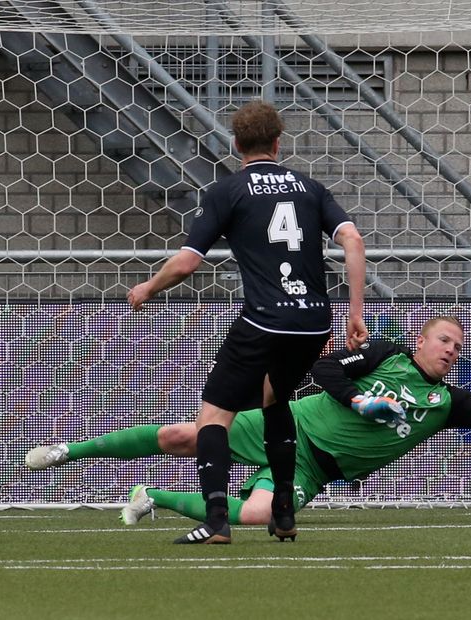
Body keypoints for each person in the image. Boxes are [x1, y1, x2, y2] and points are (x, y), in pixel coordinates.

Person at [25, 316, 471, 530]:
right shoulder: (384, 354)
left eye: (457, 346)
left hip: (314, 467)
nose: (451, 350)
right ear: (421, 340)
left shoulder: (448, 404)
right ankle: (68, 451)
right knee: (184, 435)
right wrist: (360, 403)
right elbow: (325, 368)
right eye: (444, 340)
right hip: (289, 424)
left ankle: (152, 496)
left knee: (254, 514)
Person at [123, 100, 367, 544]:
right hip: (313, 322)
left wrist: (147, 288)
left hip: (266, 319)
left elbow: (185, 263)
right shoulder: (311, 188)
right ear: (278, 142)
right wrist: (354, 312)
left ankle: (216, 519)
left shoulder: (227, 190)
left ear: (235, 144)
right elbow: (352, 237)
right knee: (275, 402)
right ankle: (285, 515)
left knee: (214, 415)